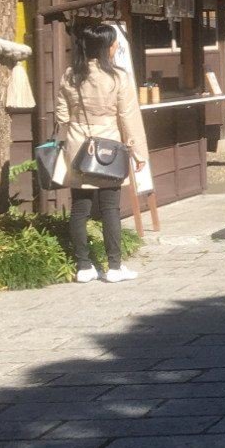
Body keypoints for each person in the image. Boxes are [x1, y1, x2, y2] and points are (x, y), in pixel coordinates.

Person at [53, 20, 148, 283]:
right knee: (110, 209)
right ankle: (115, 267)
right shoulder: (118, 77)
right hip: (109, 149)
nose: (116, 45)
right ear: (105, 46)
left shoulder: (70, 76)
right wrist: (139, 152)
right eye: (113, 41)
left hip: (78, 146)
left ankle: (83, 266)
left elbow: (61, 115)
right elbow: (129, 117)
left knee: (79, 209)